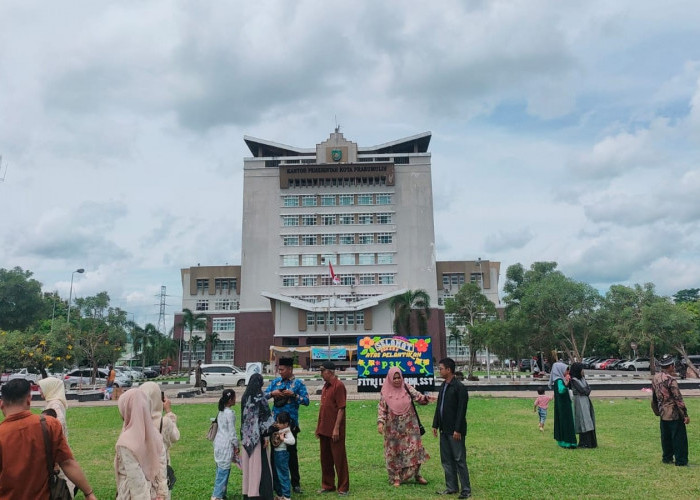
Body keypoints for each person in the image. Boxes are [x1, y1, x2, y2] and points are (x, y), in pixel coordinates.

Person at [0, 379, 97, 500]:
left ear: (1, 404)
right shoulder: (49, 424)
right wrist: (89, 493)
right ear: (29, 400)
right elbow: (67, 462)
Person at [377, 366, 431, 487]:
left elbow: (418, 397)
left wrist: (426, 398)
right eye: (394, 378)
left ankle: (417, 474)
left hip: (410, 426)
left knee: (415, 449)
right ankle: (396, 477)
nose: (397, 380)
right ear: (390, 378)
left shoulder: (407, 387)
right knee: (395, 452)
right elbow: (382, 408)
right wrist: (380, 422)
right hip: (393, 428)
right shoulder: (385, 391)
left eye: (398, 377)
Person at [264, 357, 309, 494]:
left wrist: (294, 395)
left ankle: (295, 483)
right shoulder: (275, 382)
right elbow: (262, 396)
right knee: (274, 454)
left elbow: (306, 401)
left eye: (282, 370)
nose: (280, 372)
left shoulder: (298, 384)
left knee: (291, 454)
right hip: (275, 425)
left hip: (291, 425)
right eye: (279, 369)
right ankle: (276, 482)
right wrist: (273, 393)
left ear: (290, 369)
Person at [115, 389, 168, 499]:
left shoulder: (126, 442)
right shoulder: (155, 435)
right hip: (156, 494)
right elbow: (162, 468)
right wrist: (162, 493)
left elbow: (136, 482)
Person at [432, 357, 471, 499]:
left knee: (459, 459)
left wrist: (458, 429)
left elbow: (462, 410)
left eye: (441, 368)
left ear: (449, 370)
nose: (439, 370)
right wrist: (435, 424)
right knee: (446, 460)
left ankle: (466, 490)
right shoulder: (443, 386)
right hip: (444, 429)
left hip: (455, 431)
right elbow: (439, 407)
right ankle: (451, 487)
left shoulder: (459, 388)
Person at [140, 382, 181, 499]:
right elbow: (175, 436)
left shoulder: (137, 421)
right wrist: (169, 412)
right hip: (161, 465)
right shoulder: (164, 422)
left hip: (143, 466)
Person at [315, 360, 349, 496]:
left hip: (335, 430)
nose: (321, 373)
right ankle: (328, 485)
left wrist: (336, 428)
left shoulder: (338, 386)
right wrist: (319, 427)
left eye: (322, 371)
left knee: (339, 458)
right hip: (324, 428)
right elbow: (323, 409)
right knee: (325, 458)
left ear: (330, 372)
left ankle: (343, 487)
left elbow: (341, 408)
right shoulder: (325, 387)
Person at [38, 376, 76, 497]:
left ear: (50, 388)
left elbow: (57, 426)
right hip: (57, 446)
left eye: (41, 388)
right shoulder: (54, 402)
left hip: (55, 447)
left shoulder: (54, 405)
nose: (39, 391)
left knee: (60, 476)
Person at [241, 373, 275, 499]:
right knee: (260, 467)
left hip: (246, 437)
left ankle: (247, 492)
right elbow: (266, 418)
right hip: (258, 438)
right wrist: (266, 435)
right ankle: (258, 494)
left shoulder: (245, 397)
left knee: (248, 467)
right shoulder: (261, 398)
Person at [651, 354, 690, 466]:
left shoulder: (656, 378)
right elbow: (678, 398)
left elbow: (653, 397)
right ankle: (681, 461)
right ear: (671, 366)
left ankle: (667, 458)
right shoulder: (671, 380)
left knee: (666, 437)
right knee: (679, 438)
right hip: (674, 414)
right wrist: (685, 415)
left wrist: (656, 411)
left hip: (663, 413)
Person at [211, 389, 239, 500]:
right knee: (223, 472)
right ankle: (217, 496)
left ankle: (222, 493)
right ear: (231, 399)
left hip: (218, 443)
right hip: (226, 445)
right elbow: (232, 433)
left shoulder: (221, 412)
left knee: (220, 469)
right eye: (235, 398)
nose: (235, 400)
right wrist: (236, 445)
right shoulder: (230, 414)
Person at [549, 360, 576, 449]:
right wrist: (567, 383)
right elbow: (561, 390)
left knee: (561, 421)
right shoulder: (559, 380)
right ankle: (568, 442)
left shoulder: (557, 380)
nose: (567, 372)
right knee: (566, 422)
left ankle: (562, 441)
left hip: (560, 405)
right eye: (566, 370)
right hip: (564, 406)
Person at [569, 363, 597, 448]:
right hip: (579, 402)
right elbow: (583, 390)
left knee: (588, 419)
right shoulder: (573, 380)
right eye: (581, 369)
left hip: (585, 401)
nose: (582, 371)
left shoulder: (582, 379)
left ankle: (589, 442)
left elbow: (588, 390)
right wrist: (586, 390)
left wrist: (586, 390)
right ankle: (584, 442)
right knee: (582, 420)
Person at [272, 410, 296, 500]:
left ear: (286, 424)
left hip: (282, 454)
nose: (277, 424)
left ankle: (286, 496)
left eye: (279, 423)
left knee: (283, 475)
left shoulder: (287, 432)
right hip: (276, 453)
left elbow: (292, 441)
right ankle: (280, 494)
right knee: (278, 474)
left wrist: (283, 439)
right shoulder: (281, 430)